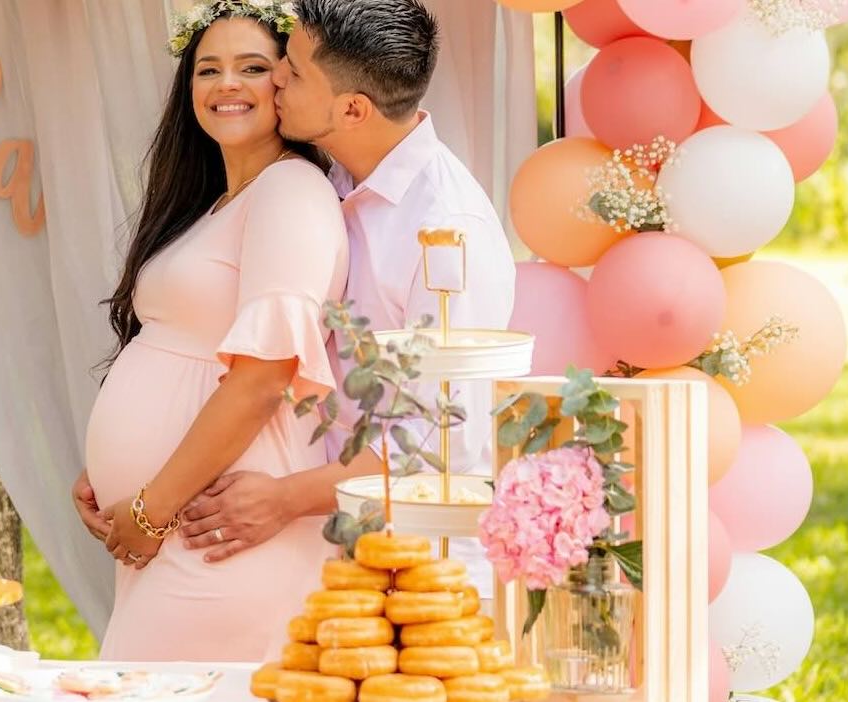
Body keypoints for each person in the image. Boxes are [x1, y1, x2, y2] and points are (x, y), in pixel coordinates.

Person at [171, 0, 518, 597]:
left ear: (353, 109)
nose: (276, 77)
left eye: (294, 72)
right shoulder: (332, 180)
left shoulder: (447, 232)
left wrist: (285, 499)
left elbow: (436, 442)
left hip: (425, 567)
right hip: (332, 553)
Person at [72, 0, 349, 663]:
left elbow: (260, 382)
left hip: (213, 530)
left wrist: (147, 508)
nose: (226, 85)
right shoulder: (216, 202)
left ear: (284, 82)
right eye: (208, 69)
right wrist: (114, 481)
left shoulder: (290, 192)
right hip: (167, 522)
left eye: (251, 67)